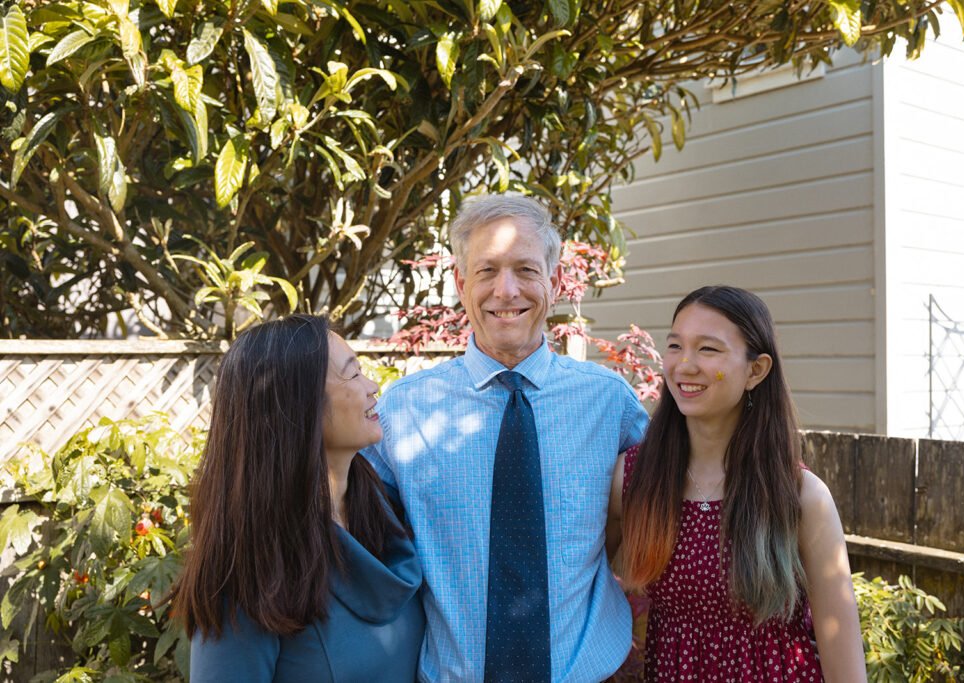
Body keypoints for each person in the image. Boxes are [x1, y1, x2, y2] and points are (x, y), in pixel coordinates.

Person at [361, 193, 649, 681]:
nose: (506, 290)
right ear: (460, 283)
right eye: (487, 270)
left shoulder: (611, 402)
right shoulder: (401, 412)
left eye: (526, 270)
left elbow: (674, 498)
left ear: (555, 283)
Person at [609, 286, 866, 681]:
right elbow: (573, 588)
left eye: (708, 349)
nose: (684, 365)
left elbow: (845, 665)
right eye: (675, 346)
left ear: (756, 370)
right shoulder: (633, 480)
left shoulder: (800, 497)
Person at [171, 315, 425, 682]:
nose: (373, 386)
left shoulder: (388, 518)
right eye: (353, 374)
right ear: (299, 404)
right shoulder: (248, 577)